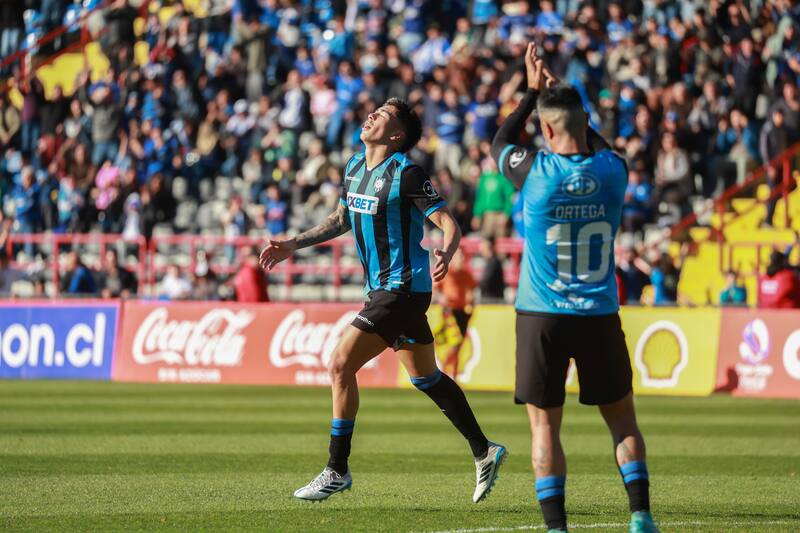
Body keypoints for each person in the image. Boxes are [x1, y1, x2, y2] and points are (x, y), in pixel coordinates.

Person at [260, 97, 507, 503]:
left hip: (403, 288)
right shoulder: (355, 166)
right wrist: (293, 244)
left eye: (384, 115)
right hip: (382, 289)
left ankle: (336, 469)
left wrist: (447, 248)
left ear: (396, 135)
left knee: (340, 364)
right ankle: (484, 450)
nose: (371, 114)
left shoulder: (407, 174)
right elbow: (341, 220)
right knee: (426, 377)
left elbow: (448, 222)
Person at [490, 44, 659, 533]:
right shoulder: (613, 171)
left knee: (545, 427)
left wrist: (530, 92)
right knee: (623, 422)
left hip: (542, 314)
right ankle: (642, 517)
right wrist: (574, 112)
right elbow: (602, 147)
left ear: (544, 129)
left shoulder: (536, 176)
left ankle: (557, 528)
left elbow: (500, 140)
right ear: (585, 122)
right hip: (599, 313)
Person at [434, 249, 477, 378]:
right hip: (449, 311)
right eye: (459, 257)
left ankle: (452, 374)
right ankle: (447, 371)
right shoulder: (447, 273)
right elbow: (436, 289)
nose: (461, 260)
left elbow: (471, 291)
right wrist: (442, 298)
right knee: (455, 341)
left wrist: (471, 304)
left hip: (462, 312)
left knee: (458, 345)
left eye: (462, 257)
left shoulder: (466, 274)